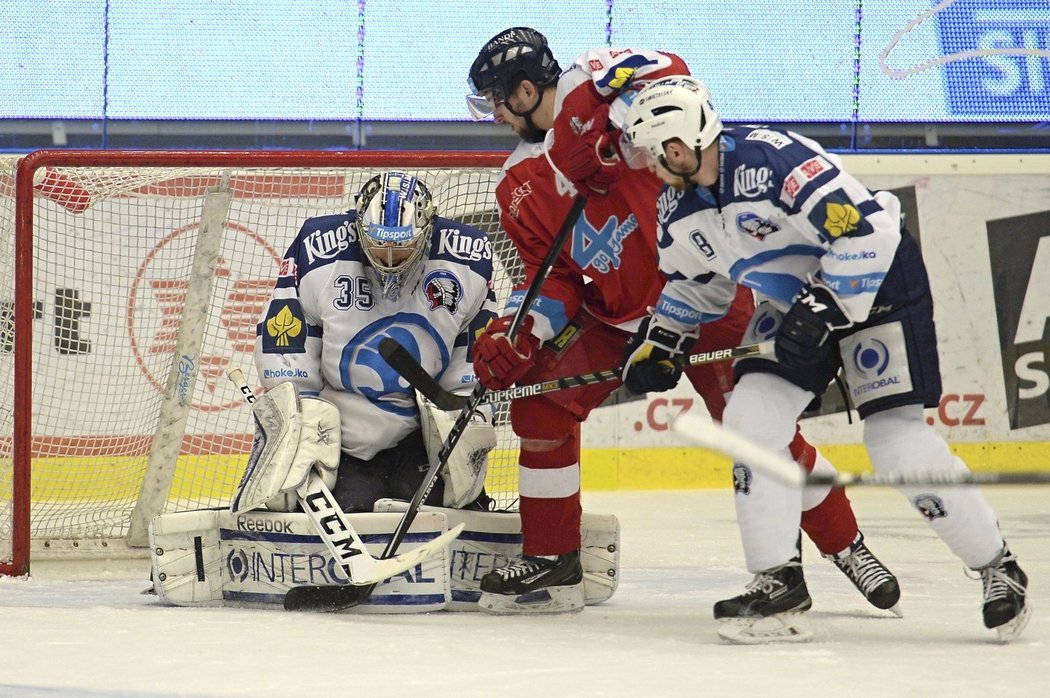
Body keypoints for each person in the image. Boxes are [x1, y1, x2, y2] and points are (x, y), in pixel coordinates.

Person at [465, 27, 900, 616]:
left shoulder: (599, 86)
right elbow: (557, 279)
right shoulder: (515, 185)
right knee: (539, 407)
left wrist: (595, 113)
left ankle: (847, 545)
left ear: (521, 92)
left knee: (757, 431)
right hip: (614, 319)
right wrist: (523, 335)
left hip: (705, 293)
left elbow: (673, 69)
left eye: (496, 102)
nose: (494, 118)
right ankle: (553, 558)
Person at [619, 75, 1031, 642]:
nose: (645, 163)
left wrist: (825, 306)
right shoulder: (678, 206)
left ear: (678, 144)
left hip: (880, 283)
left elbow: (865, 231)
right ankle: (778, 582)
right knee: (750, 420)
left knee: (896, 444)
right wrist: (663, 341)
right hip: (795, 299)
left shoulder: (773, 160)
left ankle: (998, 568)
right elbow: (697, 286)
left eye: (650, 149)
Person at [254, 170, 497, 514]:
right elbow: (286, 341)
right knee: (350, 511)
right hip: (343, 440)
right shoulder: (318, 249)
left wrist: (468, 417)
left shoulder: (467, 259)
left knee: (442, 515)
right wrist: (298, 419)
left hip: (422, 440)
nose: (388, 258)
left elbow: (472, 353)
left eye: (401, 248)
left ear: (427, 231)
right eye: (379, 246)